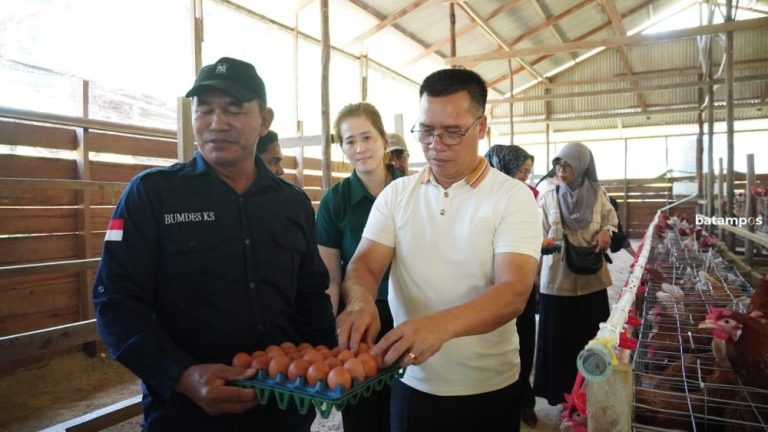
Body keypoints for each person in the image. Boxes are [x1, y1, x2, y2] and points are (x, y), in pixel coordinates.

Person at [92, 57, 336, 431]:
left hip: (283, 406)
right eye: (203, 110)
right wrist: (181, 375)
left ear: (265, 119)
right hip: (186, 413)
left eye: (234, 109)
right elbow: (116, 300)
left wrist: (326, 363)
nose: (216, 123)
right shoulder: (152, 195)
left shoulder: (292, 203)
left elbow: (310, 293)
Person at [336, 68, 542, 432]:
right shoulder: (397, 195)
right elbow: (365, 264)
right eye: (427, 131)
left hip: (489, 387)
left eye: (452, 132)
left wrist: (441, 325)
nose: (436, 144)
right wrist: (359, 300)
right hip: (413, 381)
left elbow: (513, 292)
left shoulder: (512, 197)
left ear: (481, 127)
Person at [316, 102, 403, 432]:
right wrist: (329, 329)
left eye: (366, 137)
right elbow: (331, 278)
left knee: (405, 407)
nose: (360, 148)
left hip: (410, 313)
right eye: (350, 141)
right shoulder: (335, 201)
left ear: (383, 139)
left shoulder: (412, 191)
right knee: (362, 412)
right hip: (360, 316)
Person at [533, 142, 618, 407]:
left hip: (591, 280)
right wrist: (537, 263)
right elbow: (538, 233)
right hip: (557, 282)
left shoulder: (598, 193)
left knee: (591, 338)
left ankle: (593, 395)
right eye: (558, 164)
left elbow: (610, 220)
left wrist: (607, 232)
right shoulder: (548, 195)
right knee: (559, 342)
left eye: (567, 164)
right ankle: (561, 396)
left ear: (581, 166)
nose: (561, 169)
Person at [484, 144, 539, 428]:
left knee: (525, 343)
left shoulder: (526, 197)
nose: (524, 178)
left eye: (528, 173)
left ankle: (525, 401)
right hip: (487, 290)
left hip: (521, 286)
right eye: (520, 172)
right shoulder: (482, 196)